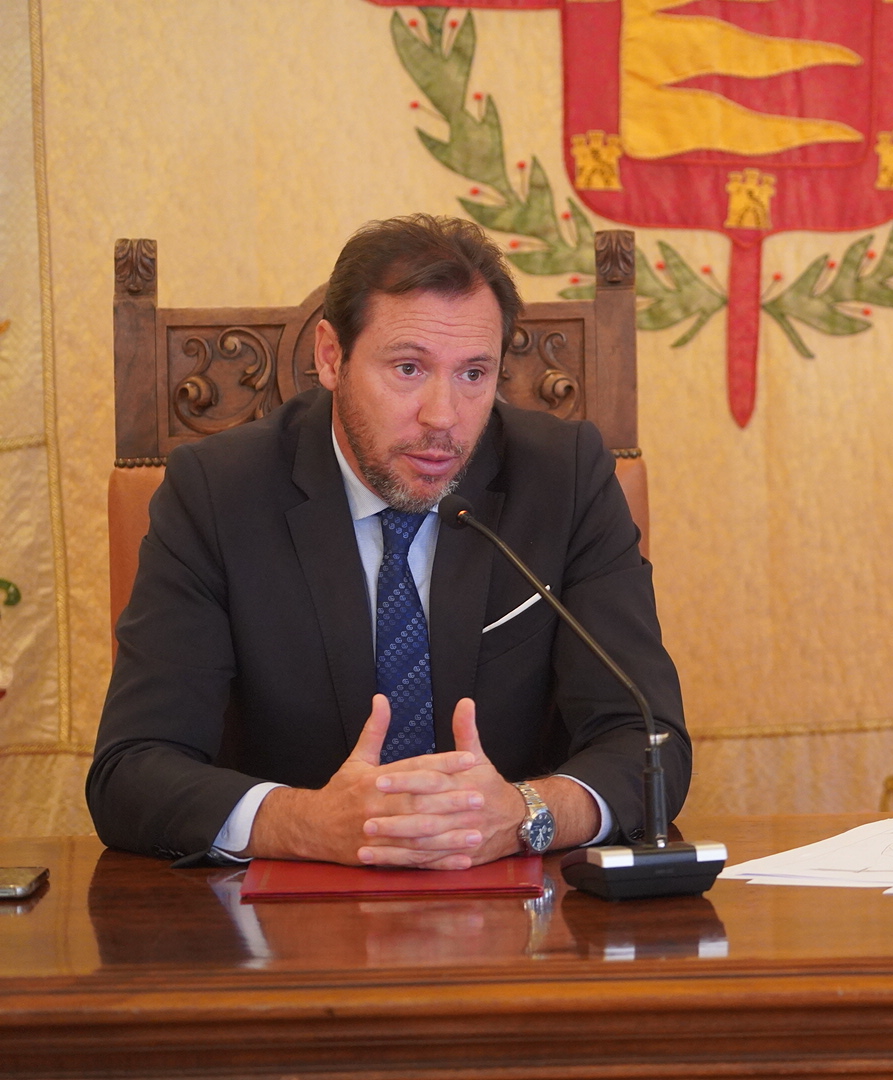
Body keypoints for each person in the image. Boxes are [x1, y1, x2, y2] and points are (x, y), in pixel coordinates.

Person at [88, 214, 688, 868]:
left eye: (473, 374)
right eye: (408, 368)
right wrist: (305, 823)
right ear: (331, 357)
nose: (443, 417)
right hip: (285, 910)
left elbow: (648, 740)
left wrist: (526, 814)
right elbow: (132, 771)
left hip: (514, 903)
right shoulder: (217, 493)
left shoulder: (564, 479)